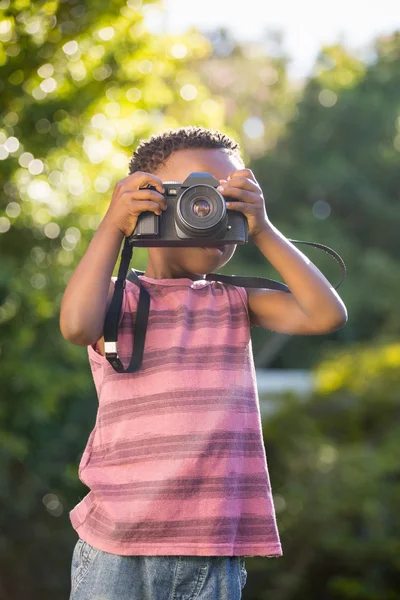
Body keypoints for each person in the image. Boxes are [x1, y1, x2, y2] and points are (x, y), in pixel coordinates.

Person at [60, 125, 348, 600]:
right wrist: (113, 224)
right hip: (113, 543)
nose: (211, 214)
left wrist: (265, 228)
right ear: (149, 200)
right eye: (196, 198)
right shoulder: (117, 301)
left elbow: (326, 314)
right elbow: (75, 326)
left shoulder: (237, 301)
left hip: (210, 548)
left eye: (228, 201)